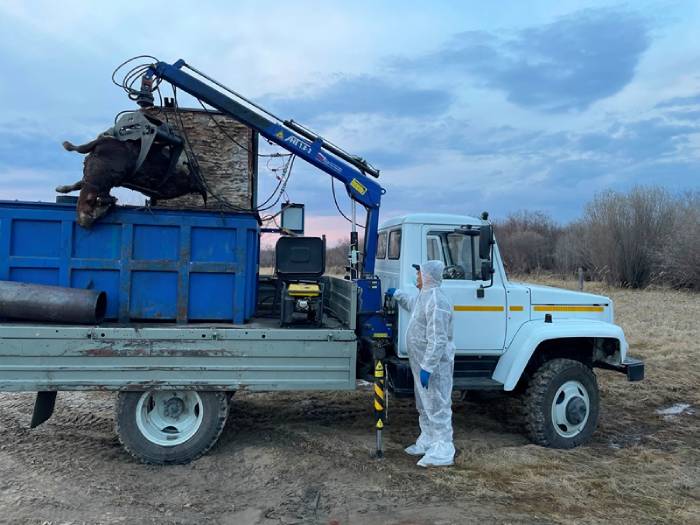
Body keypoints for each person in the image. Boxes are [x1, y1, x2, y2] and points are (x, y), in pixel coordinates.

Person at [386, 260, 456, 467]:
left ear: (428, 277)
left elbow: (438, 339)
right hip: (420, 362)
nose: (416, 277)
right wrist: (398, 294)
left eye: (419, 274)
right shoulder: (424, 296)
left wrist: (428, 366)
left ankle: (443, 449)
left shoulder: (437, 301)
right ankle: (428, 440)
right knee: (424, 403)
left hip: (434, 366)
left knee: (437, 404)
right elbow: (413, 306)